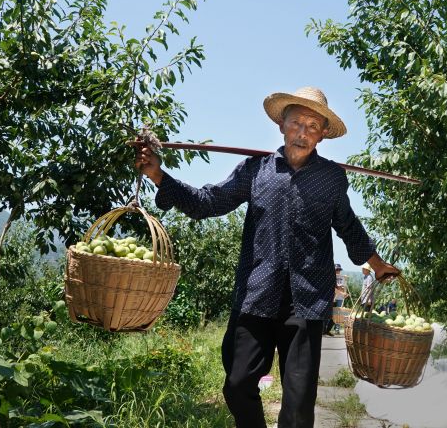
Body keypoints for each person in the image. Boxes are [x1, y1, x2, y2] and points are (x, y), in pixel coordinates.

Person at [135, 86, 400, 428]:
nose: (303, 132)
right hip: (256, 293)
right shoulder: (255, 170)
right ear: (282, 126)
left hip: (306, 302)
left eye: (312, 126)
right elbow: (208, 201)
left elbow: (348, 225)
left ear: (322, 135)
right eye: (296, 123)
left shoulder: (331, 178)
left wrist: (377, 265)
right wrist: (158, 175)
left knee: (299, 402)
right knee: (237, 384)